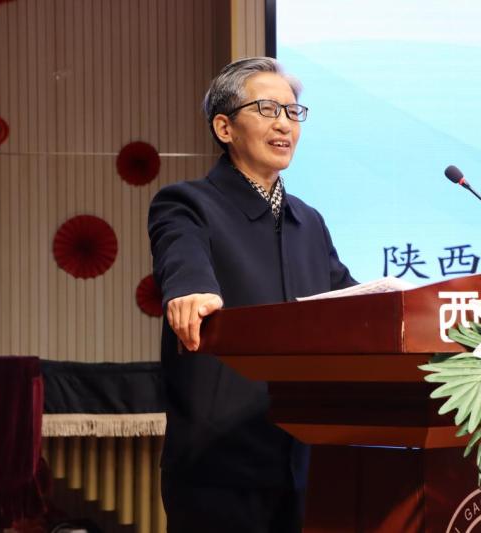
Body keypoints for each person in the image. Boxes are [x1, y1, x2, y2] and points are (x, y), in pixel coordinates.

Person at [148, 57, 356, 533]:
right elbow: (181, 258)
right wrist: (189, 291)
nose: (284, 124)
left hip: (305, 460)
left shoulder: (309, 221)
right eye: (267, 109)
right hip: (220, 466)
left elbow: (350, 299)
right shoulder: (187, 204)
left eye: (293, 111)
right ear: (225, 127)